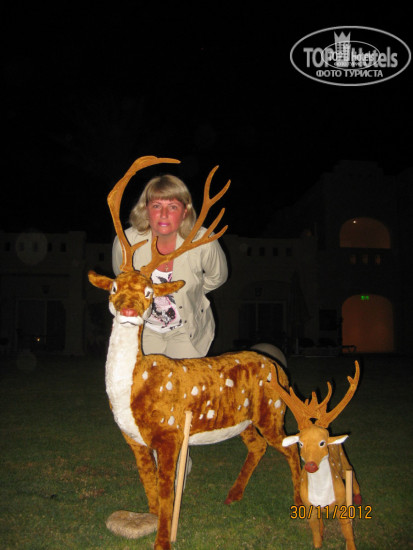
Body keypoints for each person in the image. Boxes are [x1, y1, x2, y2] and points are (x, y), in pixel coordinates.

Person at [112, 173, 228, 359]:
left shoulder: (203, 240)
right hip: (144, 329)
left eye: (173, 206)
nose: (164, 214)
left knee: (183, 378)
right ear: (145, 209)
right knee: (146, 378)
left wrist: (192, 290)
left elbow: (218, 276)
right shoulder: (126, 241)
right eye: (156, 206)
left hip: (187, 331)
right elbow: (122, 278)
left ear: (185, 212)